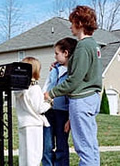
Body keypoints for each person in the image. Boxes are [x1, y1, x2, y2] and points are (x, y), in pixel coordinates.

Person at [44, 6, 102, 166]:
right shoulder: (93, 45)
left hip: (81, 100)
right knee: (91, 146)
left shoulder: (83, 46)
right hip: (92, 98)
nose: (70, 26)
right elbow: (85, 71)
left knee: (83, 147)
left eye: (72, 22)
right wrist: (62, 63)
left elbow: (75, 80)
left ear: (81, 23)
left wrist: (51, 93)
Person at [42, 37, 77, 166]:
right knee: (47, 145)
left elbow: (74, 96)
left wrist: (70, 118)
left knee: (62, 145)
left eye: (57, 53)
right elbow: (46, 86)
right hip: (48, 111)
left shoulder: (73, 73)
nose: (55, 56)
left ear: (66, 53)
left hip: (63, 114)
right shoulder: (54, 69)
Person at [14, 57, 51, 166]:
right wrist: (49, 102)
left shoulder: (19, 89)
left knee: (24, 155)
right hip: (34, 124)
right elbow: (39, 108)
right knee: (34, 155)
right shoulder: (35, 89)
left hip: (23, 123)